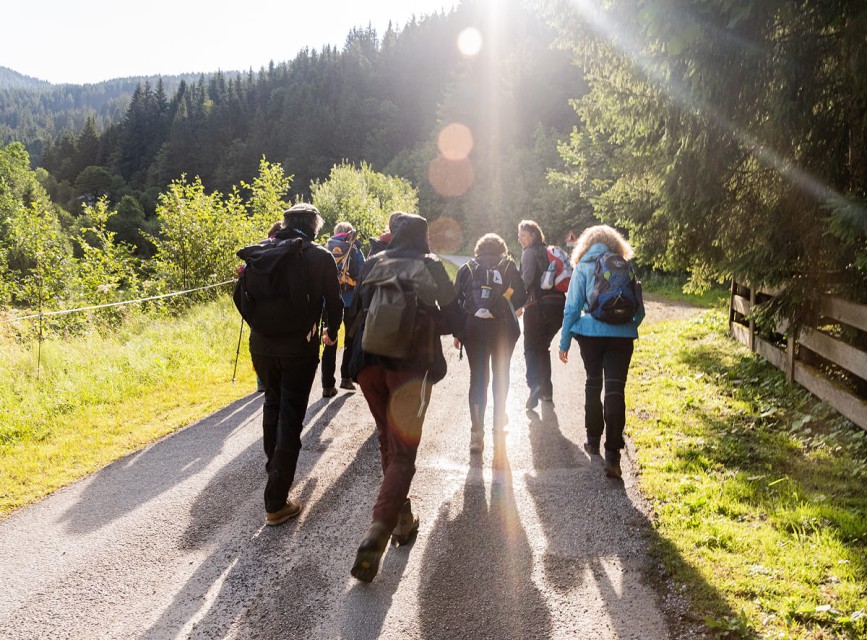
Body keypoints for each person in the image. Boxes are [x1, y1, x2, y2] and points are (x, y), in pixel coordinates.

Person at [347, 212, 461, 583]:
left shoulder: (375, 261)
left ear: (394, 234)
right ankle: (377, 531)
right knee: (404, 452)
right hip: (407, 367)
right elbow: (453, 311)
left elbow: (355, 308)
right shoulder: (429, 264)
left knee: (386, 437)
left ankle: (401, 520)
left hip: (366, 364)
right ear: (423, 236)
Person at [248, 203, 343, 525]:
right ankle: (276, 501)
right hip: (299, 347)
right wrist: (332, 330)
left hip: (261, 345)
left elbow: (243, 298)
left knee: (271, 403)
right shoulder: (320, 257)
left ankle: (274, 467)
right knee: (291, 416)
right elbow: (334, 300)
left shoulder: (262, 252)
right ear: (314, 227)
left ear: (286, 224)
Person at [557, 224, 645, 479]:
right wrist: (626, 327)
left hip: (590, 335)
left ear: (586, 244)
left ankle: (593, 439)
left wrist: (565, 341)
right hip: (622, 337)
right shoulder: (624, 266)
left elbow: (572, 307)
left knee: (593, 383)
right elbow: (639, 309)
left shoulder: (583, 266)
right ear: (616, 244)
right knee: (616, 390)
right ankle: (613, 456)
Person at [453, 233, 527, 454]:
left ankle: (477, 435)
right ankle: (497, 429)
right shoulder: (508, 266)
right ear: (501, 249)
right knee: (501, 376)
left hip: (473, 329)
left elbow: (457, 300)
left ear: (478, 249)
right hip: (503, 331)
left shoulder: (467, 267)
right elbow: (521, 296)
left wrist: (458, 333)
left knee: (478, 379)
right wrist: (506, 299)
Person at [516, 220, 565, 409]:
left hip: (537, 307)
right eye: (519, 235)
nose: (519, 239)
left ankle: (534, 388)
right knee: (543, 347)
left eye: (522, 235)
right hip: (557, 306)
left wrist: (518, 304)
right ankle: (547, 392)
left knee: (530, 347)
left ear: (533, 236)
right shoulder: (549, 253)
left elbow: (526, 280)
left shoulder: (529, 252)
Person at [321, 221, 365, 398]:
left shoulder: (325, 250)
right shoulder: (354, 249)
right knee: (350, 340)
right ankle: (346, 378)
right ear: (349, 233)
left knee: (330, 340)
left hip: (328, 303)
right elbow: (362, 274)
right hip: (350, 301)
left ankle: (327, 385)